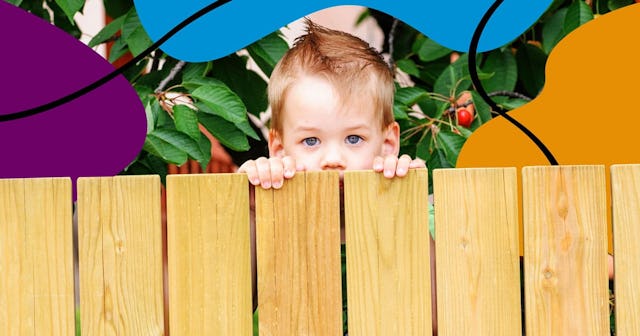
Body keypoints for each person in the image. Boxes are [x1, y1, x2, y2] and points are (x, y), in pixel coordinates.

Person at [238, 19, 437, 335]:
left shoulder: (424, 221)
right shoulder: (271, 224)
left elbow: (443, 317)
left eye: (354, 139)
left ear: (387, 146)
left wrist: (404, 211)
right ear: (278, 148)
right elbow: (223, 308)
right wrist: (250, 213)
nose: (333, 160)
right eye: (311, 141)